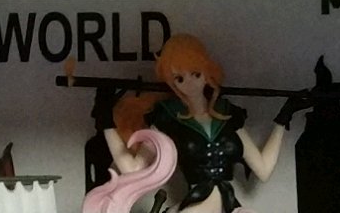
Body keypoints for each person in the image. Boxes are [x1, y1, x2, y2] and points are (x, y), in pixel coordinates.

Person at [109, 35, 302, 213]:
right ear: (172, 82)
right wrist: (105, 122)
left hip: (228, 207)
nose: (190, 83)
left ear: (207, 71)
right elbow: (132, 169)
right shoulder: (169, 118)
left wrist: (283, 118)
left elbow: (263, 169)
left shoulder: (226, 114)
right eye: (180, 79)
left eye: (196, 74)